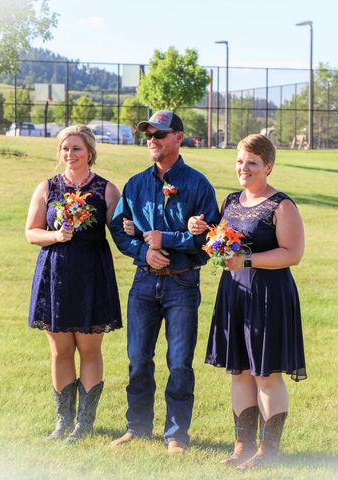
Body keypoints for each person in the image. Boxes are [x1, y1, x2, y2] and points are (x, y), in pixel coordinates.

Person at [188, 133, 307, 469]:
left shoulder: (281, 205)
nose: (244, 168)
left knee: (266, 374)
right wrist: (200, 230)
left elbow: (293, 254)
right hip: (234, 295)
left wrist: (249, 260)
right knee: (239, 372)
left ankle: (269, 452)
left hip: (269, 295)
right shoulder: (231, 201)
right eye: (240, 161)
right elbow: (218, 242)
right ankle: (242, 447)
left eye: (252, 163)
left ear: (268, 166)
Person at [109, 110, 220, 454]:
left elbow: (211, 239)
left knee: (179, 362)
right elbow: (118, 227)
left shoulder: (198, 184)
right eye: (148, 135)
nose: (152, 140)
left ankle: (176, 436)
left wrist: (165, 239)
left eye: (159, 134)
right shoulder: (136, 184)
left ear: (178, 138)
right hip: (143, 283)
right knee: (138, 359)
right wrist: (144, 253)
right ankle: (137, 428)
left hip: (183, 285)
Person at [25, 125, 122, 442]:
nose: (70, 154)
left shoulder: (106, 190)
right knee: (60, 351)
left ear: (90, 152)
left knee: (90, 350)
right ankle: (63, 421)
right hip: (55, 274)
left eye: (77, 148)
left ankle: (85, 423)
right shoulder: (47, 187)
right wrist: (55, 236)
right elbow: (31, 232)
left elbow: (121, 231)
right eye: (65, 148)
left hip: (92, 275)